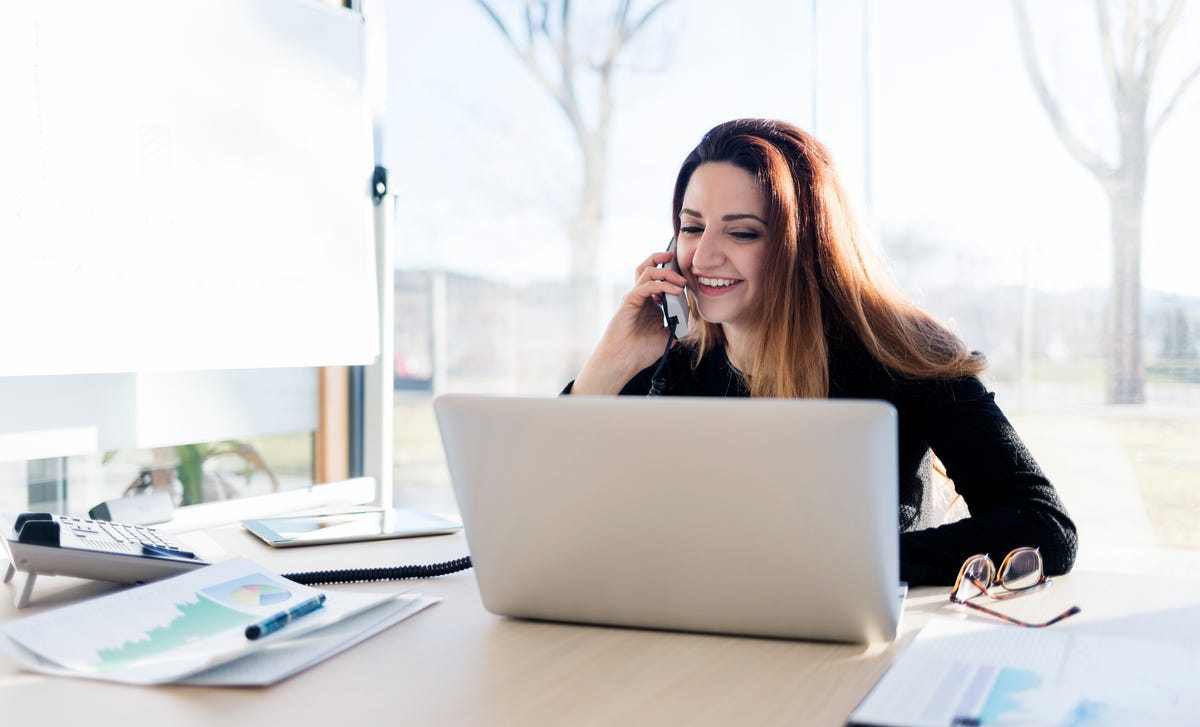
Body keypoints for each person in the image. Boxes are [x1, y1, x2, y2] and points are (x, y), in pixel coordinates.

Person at [566, 118, 1077, 587]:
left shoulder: (901, 355)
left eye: (742, 232)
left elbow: (1045, 526)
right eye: (692, 226)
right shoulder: (674, 362)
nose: (702, 257)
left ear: (805, 245)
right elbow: (547, 522)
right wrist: (608, 365)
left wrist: (842, 565)